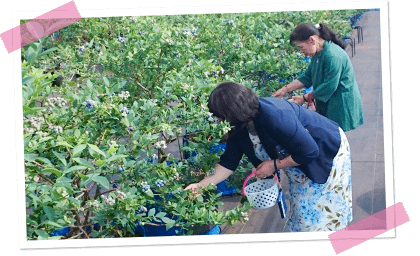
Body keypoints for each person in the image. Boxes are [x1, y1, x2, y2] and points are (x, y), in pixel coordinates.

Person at [185, 81, 352, 232]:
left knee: (323, 217)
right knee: (303, 214)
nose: (219, 121)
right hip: (299, 161)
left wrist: (274, 165)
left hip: (326, 152)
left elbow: (309, 151)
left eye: (220, 116)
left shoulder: (274, 115)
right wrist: (201, 185)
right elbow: (228, 163)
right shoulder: (240, 126)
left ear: (232, 112)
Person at [273, 23, 363, 132]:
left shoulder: (332, 55)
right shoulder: (318, 54)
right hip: (329, 101)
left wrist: (304, 98)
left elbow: (329, 86)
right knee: (331, 135)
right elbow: (307, 77)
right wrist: (285, 90)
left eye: (301, 47)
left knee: (336, 137)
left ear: (311, 40)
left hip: (340, 103)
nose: (301, 51)